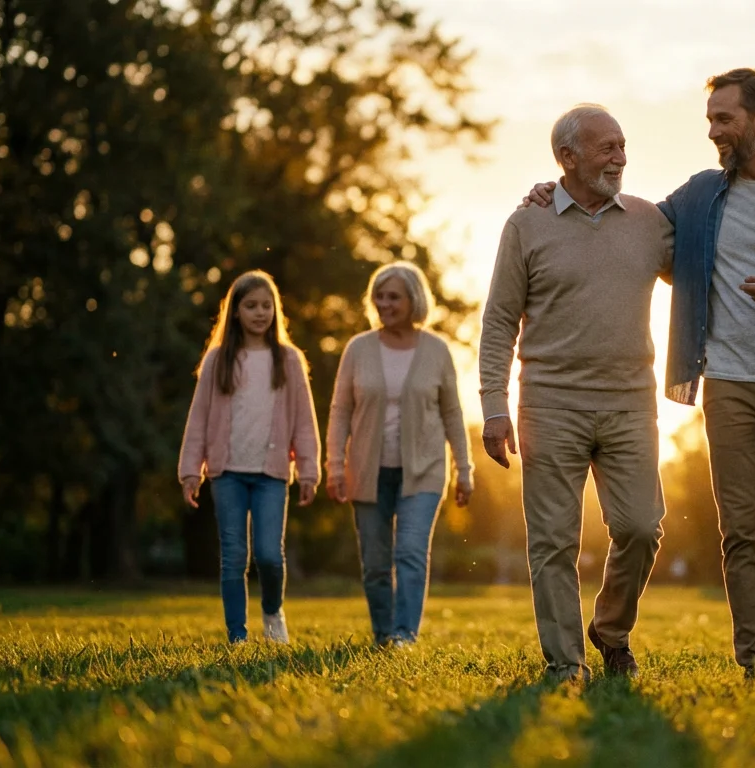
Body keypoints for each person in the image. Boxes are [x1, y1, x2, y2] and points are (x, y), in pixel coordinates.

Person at [524, 69, 755, 680]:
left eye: (724, 118)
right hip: (730, 385)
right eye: (710, 118)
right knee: (743, 532)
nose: (712, 130)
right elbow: (622, 223)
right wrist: (558, 193)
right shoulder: (698, 197)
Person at [481, 104, 673, 681]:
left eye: (622, 145)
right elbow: (498, 322)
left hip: (630, 402)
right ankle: (566, 663)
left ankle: (610, 631)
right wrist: (493, 406)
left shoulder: (649, 222)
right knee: (553, 543)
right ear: (566, 158)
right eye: (606, 147)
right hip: (549, 402)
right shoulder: (526, 224)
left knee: (641, 526)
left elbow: (708, 264)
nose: (620, 157)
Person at [327, 261, 473, 647]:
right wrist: (335, 466)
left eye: (393, 296)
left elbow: (453, 413)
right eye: (379, 296)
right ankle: (383, 634)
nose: (384, 304)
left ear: (414, 300)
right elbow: (340, 410)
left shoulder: (437, 350)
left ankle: (405, 635)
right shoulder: (358, 349)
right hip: (366, 469)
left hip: (423, 471)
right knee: (375, 564)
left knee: (410, 552)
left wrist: (464, 468)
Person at [179, 269, 321, 645]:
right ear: (235, 311)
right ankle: (237, 636)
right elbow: (198, 418)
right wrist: (190, 470)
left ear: (276, 310)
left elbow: (305, 421)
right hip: (227, 473)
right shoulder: (217, 361)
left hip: (271, 475)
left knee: (269, 556)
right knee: (233, 559)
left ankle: (273, 612)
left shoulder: (288, 360)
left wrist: (309, 471)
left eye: (266, 305)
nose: (260, 313)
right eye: (251, 306)